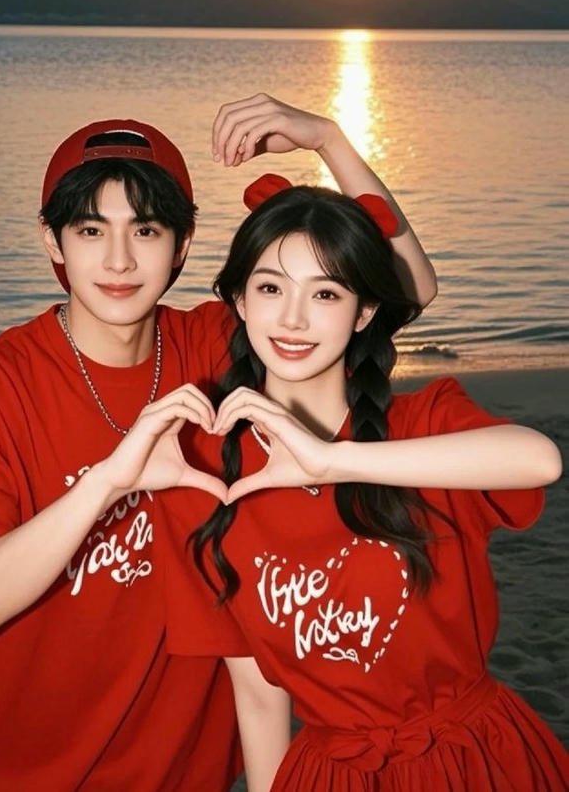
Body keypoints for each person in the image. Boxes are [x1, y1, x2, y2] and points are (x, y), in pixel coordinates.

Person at [0, 96, 436, 790]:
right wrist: (108, 480)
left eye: (148, 229)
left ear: (183, 245)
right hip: (27, 768)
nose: (121, 259)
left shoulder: (216, 347)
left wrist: (328, 140)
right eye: (91, 229)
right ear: (52, 242)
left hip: (192, 768)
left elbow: (400, 288)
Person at [151, 172, 567, 791]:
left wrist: (333, 461)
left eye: (325, 294)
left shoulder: (424, 424)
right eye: (270, 287)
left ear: (364, 310)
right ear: (238, 299)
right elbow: (258, 690)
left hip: (473, 760)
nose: (292, 319)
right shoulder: (202, 475)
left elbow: (538, 460)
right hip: (331, 774)